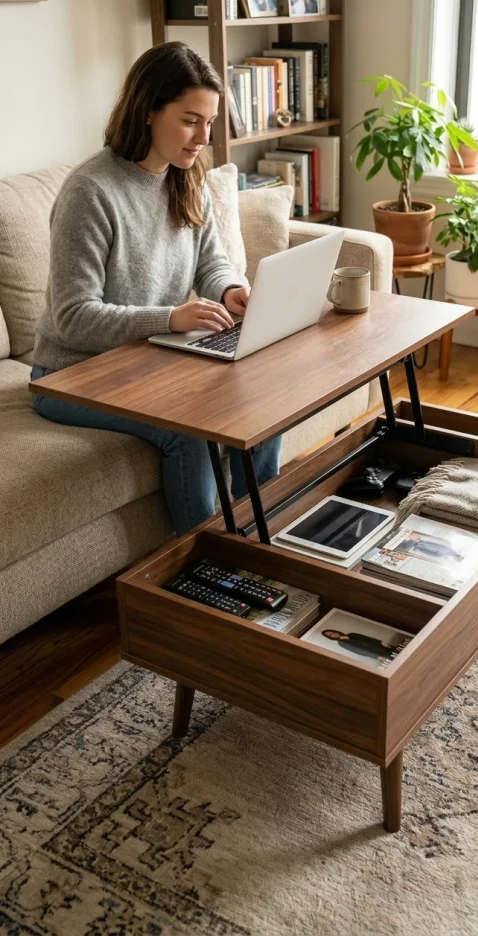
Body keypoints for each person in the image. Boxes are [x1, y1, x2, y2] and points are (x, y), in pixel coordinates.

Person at [31, 41, 282, 536]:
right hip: (71, 374)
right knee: (188, 434)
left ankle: (261, 532)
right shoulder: (91, 191)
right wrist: (170, 318)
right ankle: (209, 560)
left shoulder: (185, 177)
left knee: (262, 397)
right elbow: (73, 317)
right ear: (148, 110)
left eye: (209, 123)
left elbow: (212, 262)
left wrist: (231, 289)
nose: (202, 138)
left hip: (152, 357)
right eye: (191, 120)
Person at [322, 629, 396, 663]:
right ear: (330, 637)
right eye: (330, 634)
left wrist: (381, 642)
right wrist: (376, 657)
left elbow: (367, 638)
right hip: (376, 652)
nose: (333, 634)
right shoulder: (342, 643)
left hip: (380, 645)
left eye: (332, 632)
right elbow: (359, 651)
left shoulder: (351, 634)